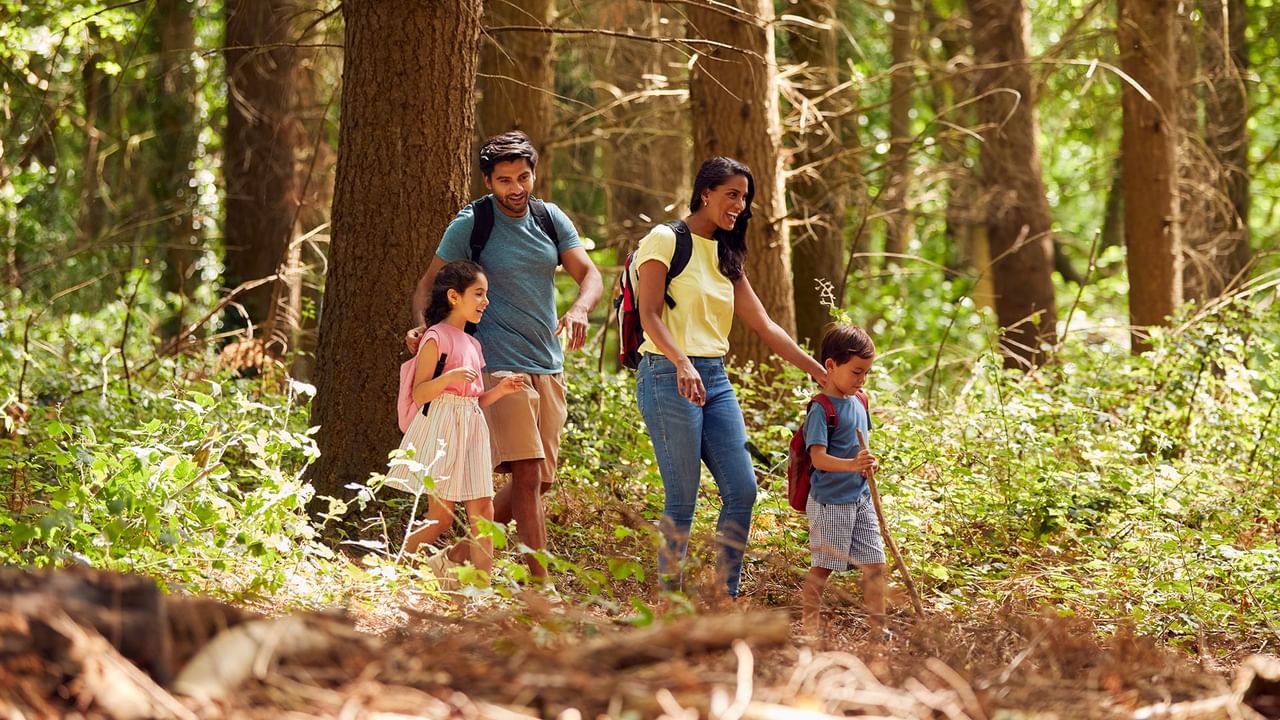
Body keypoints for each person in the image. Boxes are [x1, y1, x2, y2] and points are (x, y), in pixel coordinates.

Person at [407, 131, 602, 583]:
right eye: (504, 180)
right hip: (495, 362)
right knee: (530, 473)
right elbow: (428, 284)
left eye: (524, 176)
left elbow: (588, 274)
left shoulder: (550, 218)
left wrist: (579, 308)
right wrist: (425, 327)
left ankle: (454, 558)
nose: (516, 188)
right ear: (489, 182)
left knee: (540, 479)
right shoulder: (473, 223)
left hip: (548, 363)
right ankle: (542, 588)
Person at [633, 156, 827, 599]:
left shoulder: (724, 253)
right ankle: (669, 602)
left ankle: (724, 595)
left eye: (744, 197)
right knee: (682, 497)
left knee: (742, 489)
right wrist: (681, 362)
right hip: (667, 374)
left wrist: (818, 371)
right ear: (706, 193)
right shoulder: (666, 239)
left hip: (715, 379)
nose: (740, 205)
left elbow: (764, 325)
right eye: (732, 194)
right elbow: (649, 315)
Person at [387, 260, 525, 581]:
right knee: (441, 518)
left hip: (472, 426)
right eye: (478, 294)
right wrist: (448, 376)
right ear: (453, 296)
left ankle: (481, 588)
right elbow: (420, 392)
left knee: (484, 513)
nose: (485, 302)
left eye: (485, 295)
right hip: (443, 427)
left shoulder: (474, 344)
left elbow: (475, 399)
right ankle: (394, 574)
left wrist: (501, 390)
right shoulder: (436, 337)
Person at [798, 324, 886, 639]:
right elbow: (818, 459)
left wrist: (867, 463)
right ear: (831, 366)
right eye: (856, 372)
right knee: (824, 567)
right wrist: (851, 465)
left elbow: (861, 445)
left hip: (860, 498)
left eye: (866, 374)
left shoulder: (860, 400)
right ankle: (810, 628)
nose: (861, 380)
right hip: (831, 502)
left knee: (875, 565)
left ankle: (878, 630)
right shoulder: (822, 410)